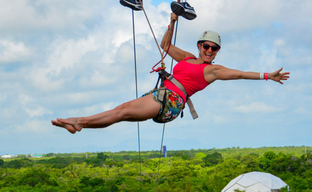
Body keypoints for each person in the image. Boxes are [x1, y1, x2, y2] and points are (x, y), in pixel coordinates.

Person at [52, 13, 290, 134]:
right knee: (122, 114)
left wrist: (267, 76)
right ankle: (79, 124)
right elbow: (165, 46)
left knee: (122, 110)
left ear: (217, 52)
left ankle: (79, 122)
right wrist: (171, 24)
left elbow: (239, 75)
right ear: (199, 46)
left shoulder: (212, 71)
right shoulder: (187, 57)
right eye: (205, 46)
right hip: (162, 95)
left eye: (213, 48)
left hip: (170, 100)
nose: (208, 50)